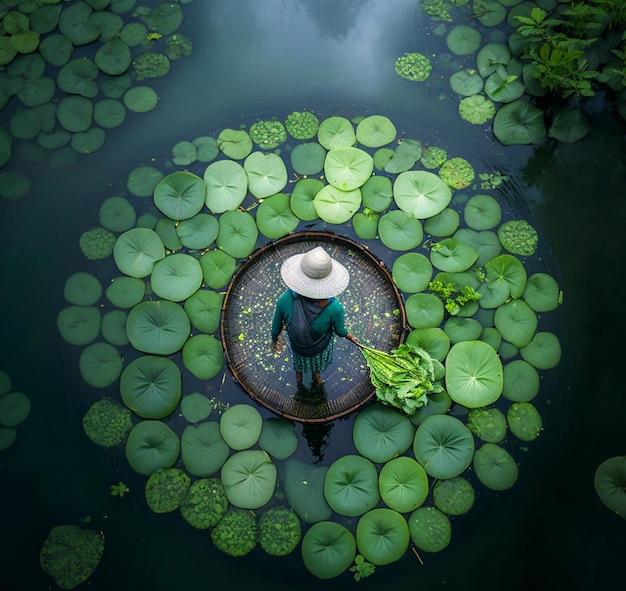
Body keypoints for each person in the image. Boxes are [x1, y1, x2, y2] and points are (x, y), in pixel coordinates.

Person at [271, 246, 357, 392]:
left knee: (299, 361)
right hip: (319, 348)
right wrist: (350, 337)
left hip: (299, 348)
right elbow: (340, 331)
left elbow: (275, 328)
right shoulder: (335, 308)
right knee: (316, 365)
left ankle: (298, 375)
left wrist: (274, 340)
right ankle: (316, 376)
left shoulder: (285, 299)